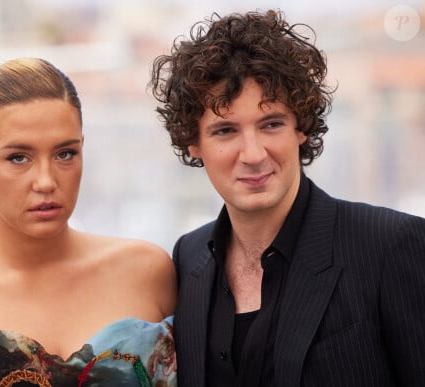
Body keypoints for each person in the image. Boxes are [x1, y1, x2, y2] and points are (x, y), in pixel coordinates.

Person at [149, 9, 425, 387]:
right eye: (226, 131)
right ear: (193, 144)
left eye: (271, 124)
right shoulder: (188, 257)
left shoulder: (391, 244)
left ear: (301, 127)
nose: (253, 154)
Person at [0, 57, 177, 386]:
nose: (46, 181)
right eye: (18, 157)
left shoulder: (147, 272)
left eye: (64, 153)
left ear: (82, 149)